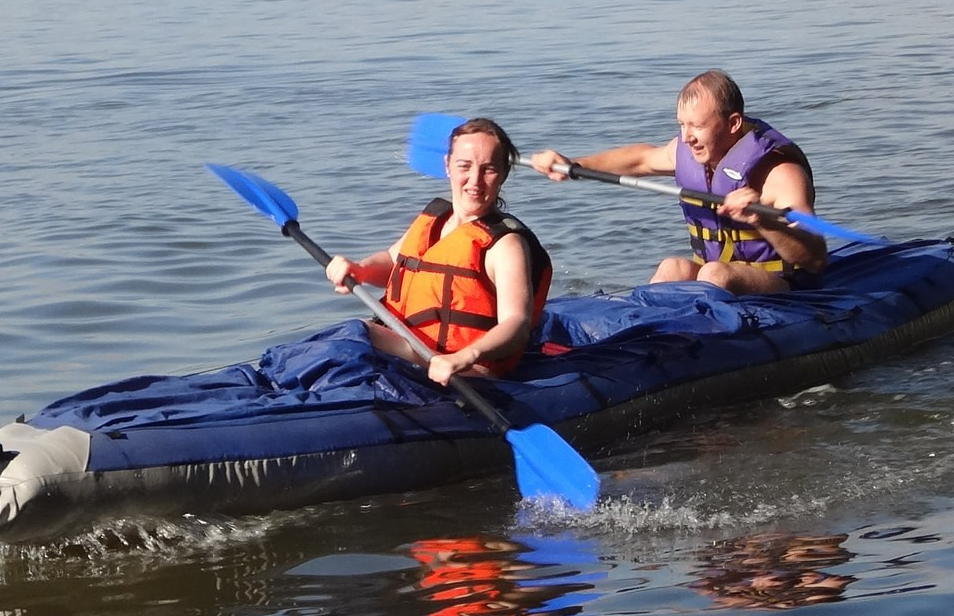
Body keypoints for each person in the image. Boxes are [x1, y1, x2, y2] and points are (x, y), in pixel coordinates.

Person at [529, 70, 821, 292]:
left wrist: (763, 221)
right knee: (672, 267)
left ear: (733, 123)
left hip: (783, 285)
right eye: (682, 124)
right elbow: (640, 159)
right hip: (719, 277)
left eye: (698, 125)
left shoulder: (779, 172)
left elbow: (815, 258)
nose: (686, 137)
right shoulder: (691, 151)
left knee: (714, 274)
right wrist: (573, 165)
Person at [327, 117, 552, 385]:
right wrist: (360, 269)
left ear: (503, 173)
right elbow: (392, 262)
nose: (475, 180)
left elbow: (516, 324)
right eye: (464, 166)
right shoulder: (435, 220)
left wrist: (465, 356)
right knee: (346, 337)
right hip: (409, 349)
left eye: (488, 169)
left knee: (357, 332)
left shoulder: (506, 245)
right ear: (447, 166)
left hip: (465, 370)